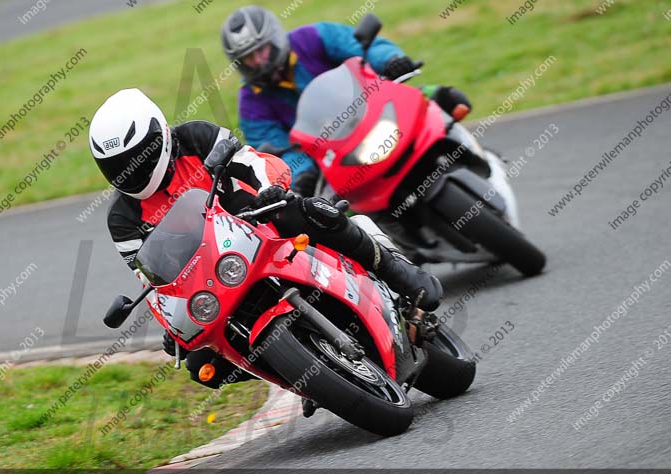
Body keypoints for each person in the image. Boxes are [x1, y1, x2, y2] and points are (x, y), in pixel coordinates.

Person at [88, 88, 442, 392]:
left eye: (138, 159)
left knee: (312, 212)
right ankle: (304, 372)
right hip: (209, 275)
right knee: (200, 365)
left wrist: (267, 191)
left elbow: (250, 162)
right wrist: (172, 322)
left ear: (160, 137)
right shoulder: (122, 219)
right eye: (118, 166)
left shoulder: (195, 136)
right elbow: (151, 278)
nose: (130, 172)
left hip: (255, 218)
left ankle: (394, 269)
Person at [221, 6, 472, 196]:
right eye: (248, 58)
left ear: (274, 38)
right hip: (333, 159)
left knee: (442, 99)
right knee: (334, 213)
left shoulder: (313, 37)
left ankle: (471, 153)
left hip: (377, 111)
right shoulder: (250, 103)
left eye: (260, 50)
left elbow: (363, 47)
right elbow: (274, 149)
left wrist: (391, 60)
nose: (258, 61)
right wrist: (300, 173)